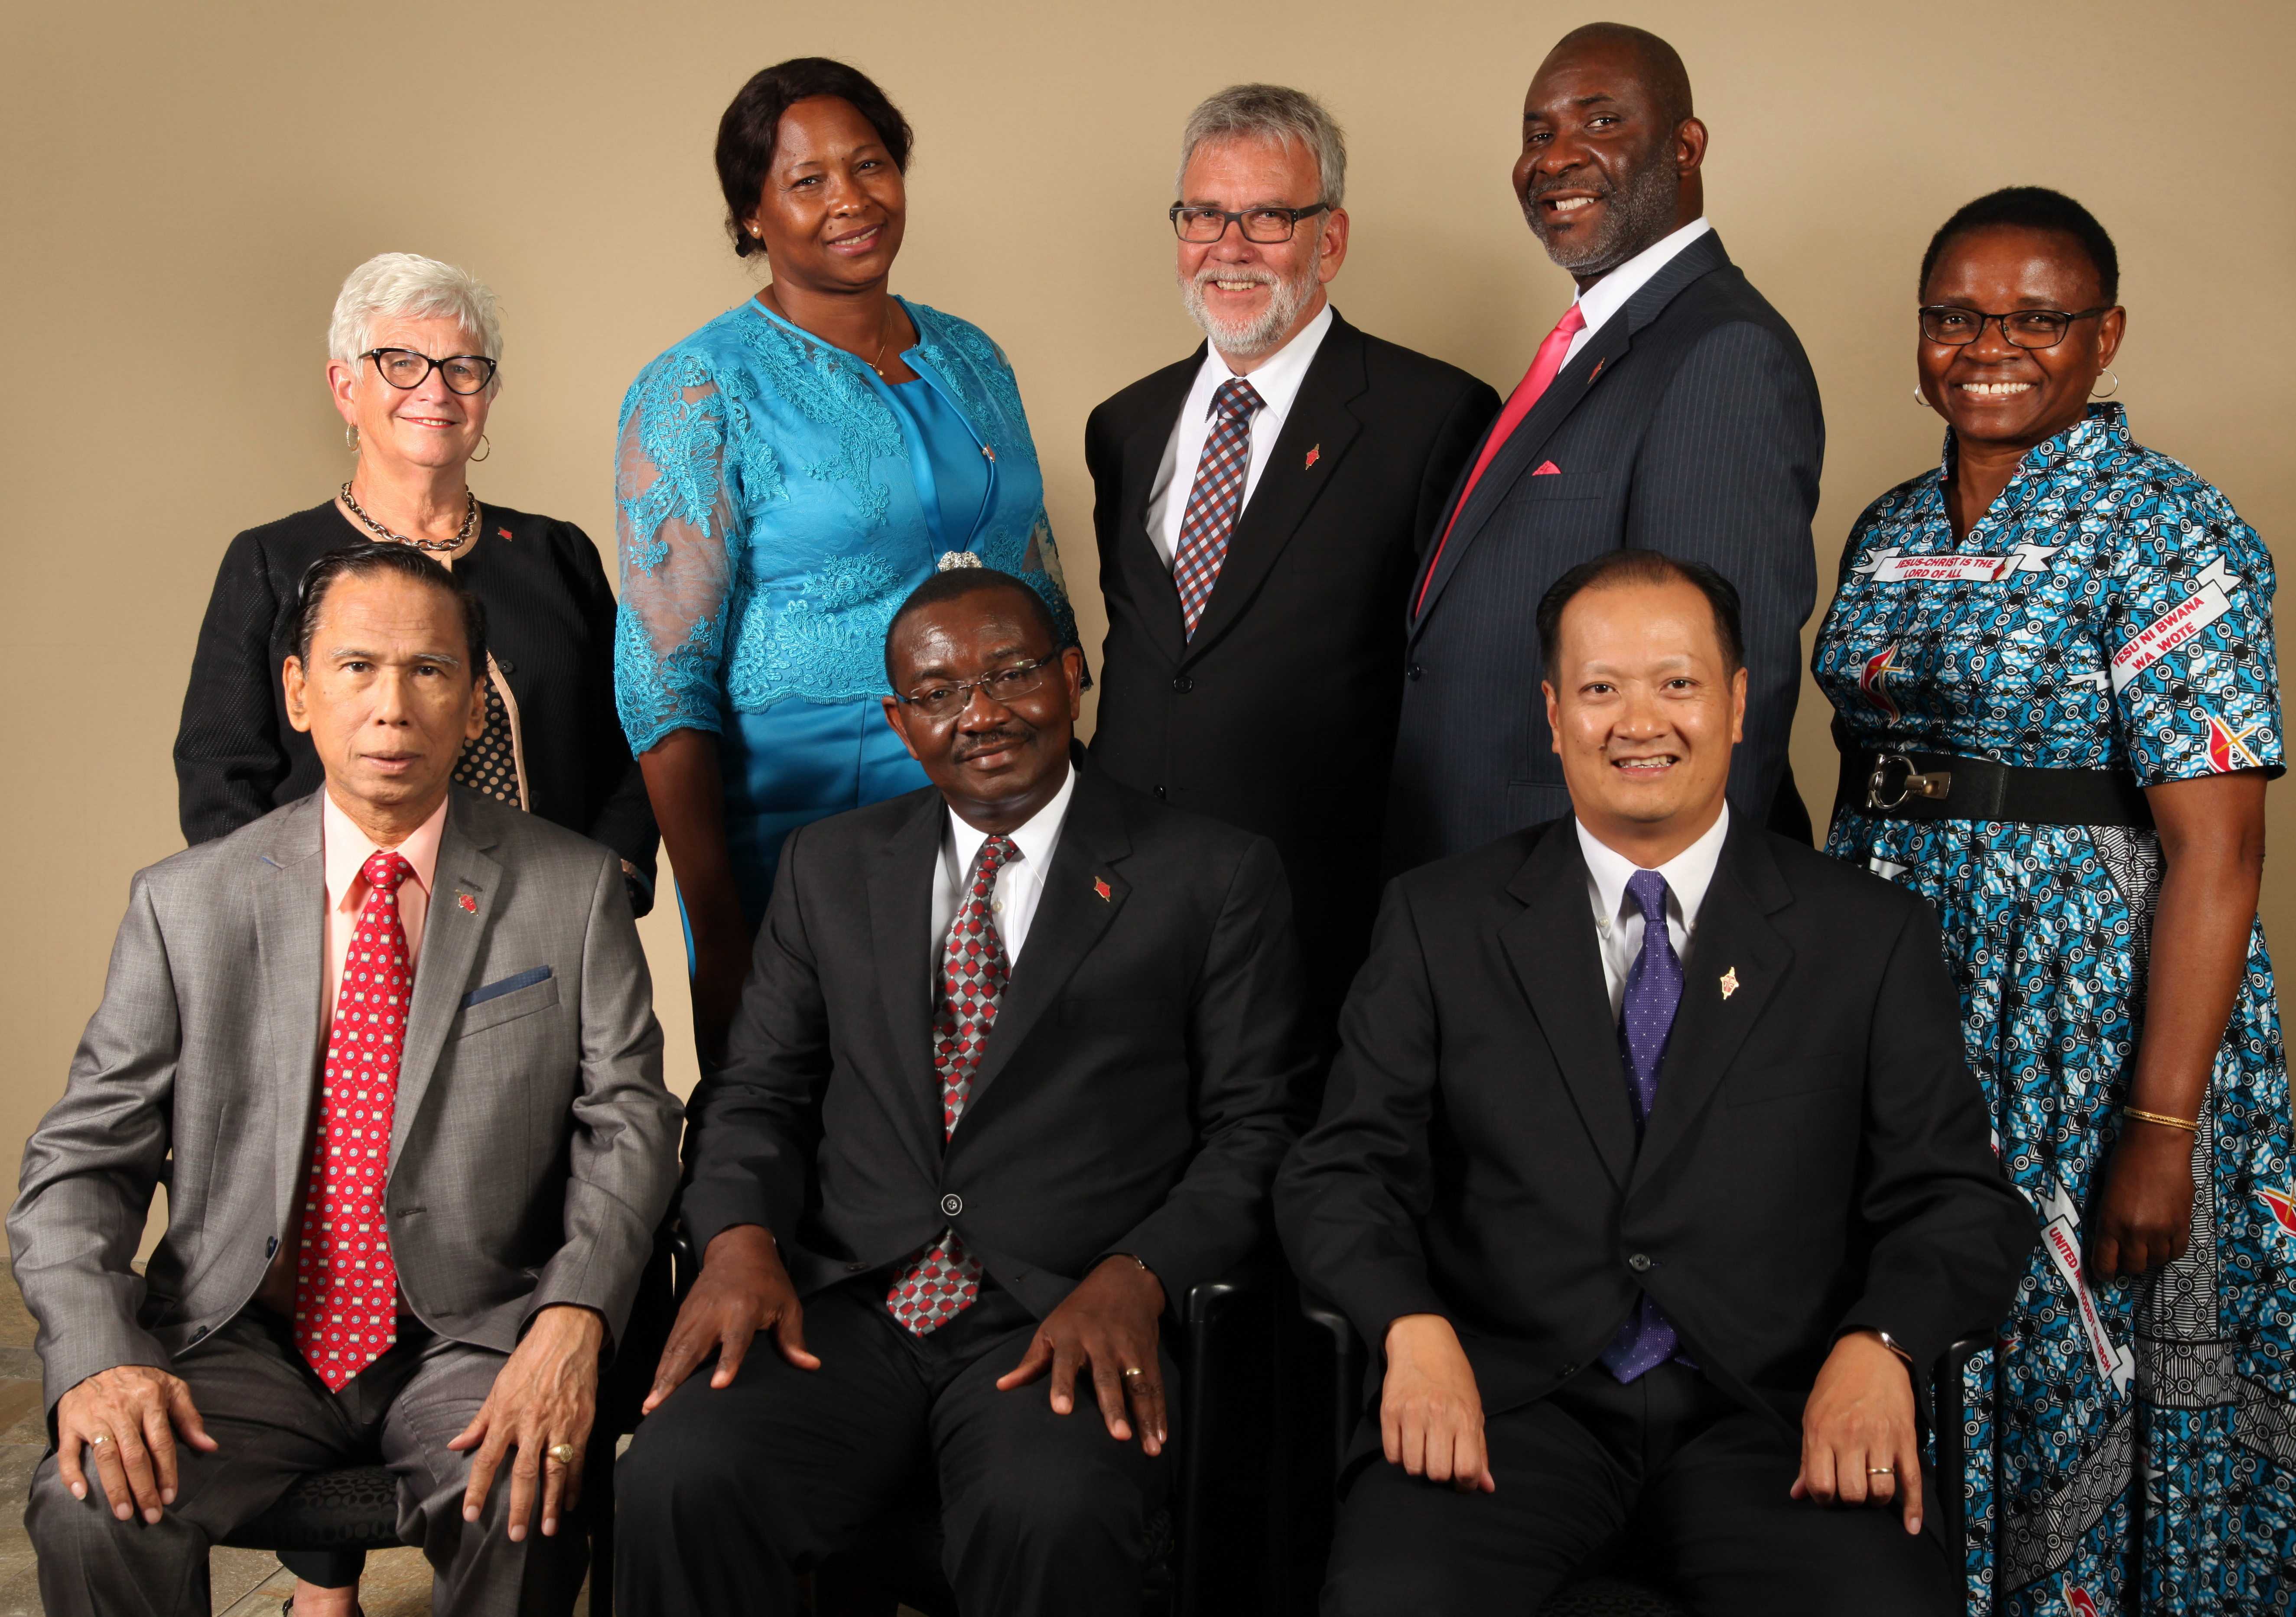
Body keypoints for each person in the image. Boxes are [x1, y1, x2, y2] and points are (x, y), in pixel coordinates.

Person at [1278, 549, 2034, 1615]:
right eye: (1600, 690)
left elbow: (1957, 1198)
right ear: (1552, 714)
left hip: (1774, 1414)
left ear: (1736, 703)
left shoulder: (1864, 934)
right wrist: (1410, 1327)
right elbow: (1340, 1172)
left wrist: (1882, 1347)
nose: (1641, 722)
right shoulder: (1439, 920)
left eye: (1677, 684)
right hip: (1507, 1407)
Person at [611, 566, 1315, 1616]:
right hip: (846, 1305)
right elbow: (755, 1091)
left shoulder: (1211, 876)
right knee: (677, 1476)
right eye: (938, 694)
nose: (979, 713)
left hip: (1063, 1312)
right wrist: (738, 1241)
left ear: (1072, 676)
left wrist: (1141, 1273)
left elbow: (1260, 1128)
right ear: (900, 723)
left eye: (1013, 673)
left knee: (1051, 1512)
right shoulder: (829, 867)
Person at [12, 545, 681, 1617]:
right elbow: (77, 1164)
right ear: (297, 691)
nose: (391, 706)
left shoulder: (573, 890)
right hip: (242, 1340)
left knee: (528, 1487)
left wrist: (573, 1318)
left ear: (474, 705)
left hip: (470, 1330)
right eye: (358, 666)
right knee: (95, 1495)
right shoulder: (186, 906)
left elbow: (632, 1126)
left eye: (430, 671)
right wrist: (95, 1356)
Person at [1812, 187, 2290, 1615]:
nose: (1988, 345)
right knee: (1897, 1305)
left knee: (2077, 1353)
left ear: (2103, 336)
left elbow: (2216, 851)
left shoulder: (2167, 527)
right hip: (1894, 979)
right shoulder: (1886, 523)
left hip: (2086, 1018)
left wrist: (2156, 1125)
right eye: (1954, 314)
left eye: (2034, 317)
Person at [615, 57, 1080, 1065]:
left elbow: (1035, 574)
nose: (850, 200)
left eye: (868, 165)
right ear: (751, 216)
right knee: (830, 1117)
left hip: (1003, 784)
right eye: (808, 180)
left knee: (1011, 1096)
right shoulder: (699, 388)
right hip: (802, 813)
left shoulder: (972, 356)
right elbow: (662, 682)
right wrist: (719, 926)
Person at [1085, 84, 1498, 1042]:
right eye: (1203, 215)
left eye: (1269, 216)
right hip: (1123, 902)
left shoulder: (1432, 420)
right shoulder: (1126, 425)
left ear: (1332, 239)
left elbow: (1453, 688)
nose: (1229, 247)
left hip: (1320, 920)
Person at [1385, 23, 1824, 871]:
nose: (1556, 158)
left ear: (1685, 147)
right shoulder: (1590, 346)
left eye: (1601, 122)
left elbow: (1721, 693)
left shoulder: (1722, 353)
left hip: (1585, 908)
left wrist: (1661, 937)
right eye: (1538, 133)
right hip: (1482, 879)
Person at [176, 252, 657, 915]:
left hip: (546, 920)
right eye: (401, 363)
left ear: (487, 395)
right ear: (347, 388)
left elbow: (636, 737)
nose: (435, 391)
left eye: (462, 369)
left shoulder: (559, 555)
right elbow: (219, 773)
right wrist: (286, 917)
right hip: (345, 928)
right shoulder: (271, 560)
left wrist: (611, 880)